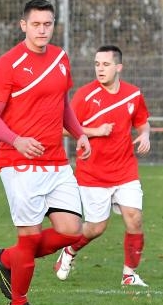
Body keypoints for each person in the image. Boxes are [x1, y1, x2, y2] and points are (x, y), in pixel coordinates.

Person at [0, 0, 91, 305]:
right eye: (36, 24)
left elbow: (64, 104)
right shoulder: (8, 64)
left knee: (72, 231)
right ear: (23, 25)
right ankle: (19, 303)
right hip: (19, 163)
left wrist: (80, 132)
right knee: (29, 238)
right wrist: (17, 139)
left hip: (57, 162)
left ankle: (6, 259)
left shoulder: (60, 57)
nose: (42, 30)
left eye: (48, 24)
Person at [53, 45, 151, 286]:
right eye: (97, 64)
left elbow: (142, 122)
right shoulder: (85, 96)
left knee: (135, 219)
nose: (100, 69)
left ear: (119, 67)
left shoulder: (133, 94)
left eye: (106, 64)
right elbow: (63, 129)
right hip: (92, 173)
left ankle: (129, 274)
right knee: (96, 228)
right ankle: (69, 251)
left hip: (125, 170)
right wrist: (96, 131)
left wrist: (146, 134)